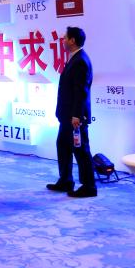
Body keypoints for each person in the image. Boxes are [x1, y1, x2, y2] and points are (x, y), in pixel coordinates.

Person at [47, 26, 96, 198]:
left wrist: (76, 115)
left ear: (72, 40)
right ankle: (66, 180)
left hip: (74, 117)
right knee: (63, 145)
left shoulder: (80, 61)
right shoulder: (75, 58)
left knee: (81, 150)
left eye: (65, 38)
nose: (63, 40)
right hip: (67, 115)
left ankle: (89, 186)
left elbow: (81, 91)